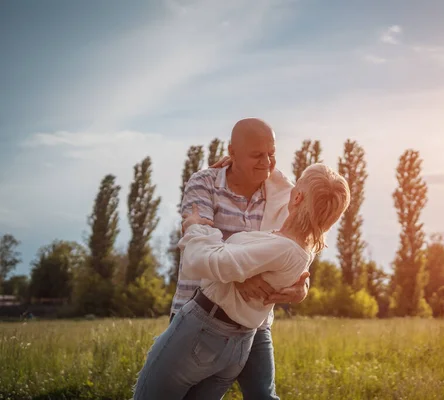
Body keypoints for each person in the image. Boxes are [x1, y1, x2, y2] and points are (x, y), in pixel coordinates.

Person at [133, 163, 351, 399]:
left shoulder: (282, 247)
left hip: (203, 330)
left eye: (295, 186)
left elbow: (201, 261)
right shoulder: (301, 249)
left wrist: (194, 227)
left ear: (297, 197)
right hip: (237, 345)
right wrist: (241, 159)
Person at [168, 118, 308, 399]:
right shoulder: (203, 183)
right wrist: (240, 277)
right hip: (197, 314)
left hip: (252, 322)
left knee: (262, 396)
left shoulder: (282, 195)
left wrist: (302, 284)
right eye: (257, 155)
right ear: (232, 153)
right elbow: (200, 245)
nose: (267, 162)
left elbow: (297, 247)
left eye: (271, 153)